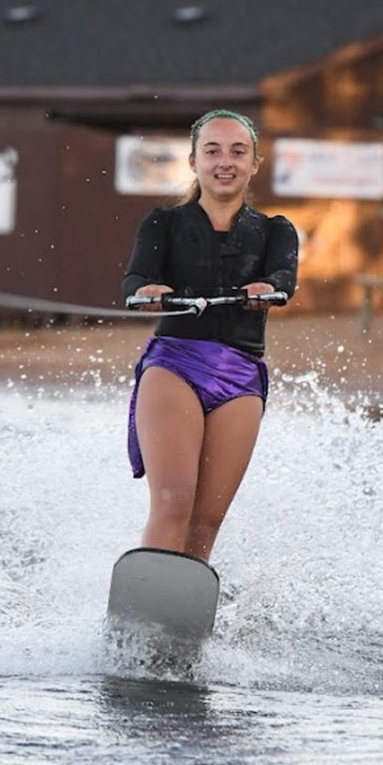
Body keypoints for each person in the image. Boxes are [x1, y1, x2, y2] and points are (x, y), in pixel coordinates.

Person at [120, 110, 298, 563]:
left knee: (207, 518)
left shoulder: (275, 230)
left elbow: (284, 276)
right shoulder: (163, 225)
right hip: (175, 365)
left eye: (238, 152)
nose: (226, 162)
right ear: (194, 161)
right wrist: (146, 291)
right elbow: (136, 277)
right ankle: (148, 600)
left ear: (254, 163)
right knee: (174, 500)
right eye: (212, 151)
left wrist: (268, 289)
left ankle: (184, 610)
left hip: (240, 377)